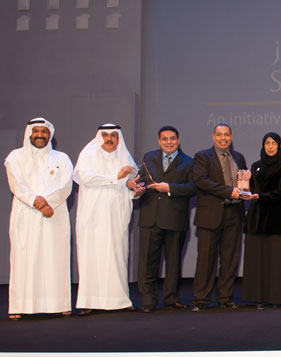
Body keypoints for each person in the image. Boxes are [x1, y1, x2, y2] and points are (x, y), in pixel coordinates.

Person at [4, 118, 73, 320]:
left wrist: (48, 202)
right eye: (37, 131)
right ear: (29, 133)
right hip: (26, 214)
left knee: (55, 259)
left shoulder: (62, 158)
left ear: (50, 135)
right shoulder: (15, 157)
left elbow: (66, 185)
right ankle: (20, 306)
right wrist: (37, 202)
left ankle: (59, 304)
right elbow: (16, 185)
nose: (40, 135)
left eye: (44, 131)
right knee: (24, 259)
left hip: (55, 214)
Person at [128, 126, 197, 313]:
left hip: (175, 219)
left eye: (172, 138)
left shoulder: (189, 162)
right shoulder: (148, 158)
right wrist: (137, 187)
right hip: (150, 217)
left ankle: (171, 298)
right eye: (165, 139)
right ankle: (148, 300)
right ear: (159, 141)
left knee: (173, 263)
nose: (169, 142)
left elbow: (194, 187)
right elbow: (141, 180)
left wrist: (169, 188)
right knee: (147, 263)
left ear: (178, 141)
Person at [73, 124, 137, 315]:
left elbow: (130, 184)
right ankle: (88, 302)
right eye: (105, 135)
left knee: (117, 257)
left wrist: (135, 189)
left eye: (114, 135)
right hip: (93, 217)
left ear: (119, 138)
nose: (109, 139)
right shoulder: (87, 155)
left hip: (117, 216)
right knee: (91, 256)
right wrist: (116, 176)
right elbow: (87, 179)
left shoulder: (125, 157)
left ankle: (119, 300)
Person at [191, 123, 246, 311]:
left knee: (230, 259)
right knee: (206, 259)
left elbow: (243, 183)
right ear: (213, 137)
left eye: (227, 135)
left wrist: (247, 192)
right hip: (210, 215)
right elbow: (201, 181)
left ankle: (225, 297)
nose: (223, 138)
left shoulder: (239, 157)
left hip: (234, 213)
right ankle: (201, 299)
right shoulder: (202, 156)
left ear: (231, 137)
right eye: (220, 135)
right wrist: (228, 191)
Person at [241, 132, 281, 309]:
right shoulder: (255, 165)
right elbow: (252, 189)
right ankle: (258, 297)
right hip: (256, 218)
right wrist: (245, 187)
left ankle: (277, 297)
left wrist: (259, 196)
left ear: (279, 146)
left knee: (276, 260)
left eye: (274, 143)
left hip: (275, 218)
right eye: (267, 143)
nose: (270, 146)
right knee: (256, 259)